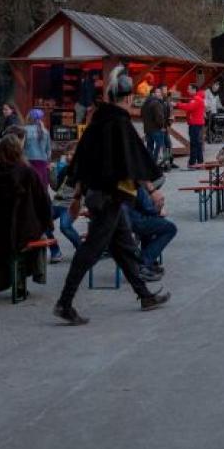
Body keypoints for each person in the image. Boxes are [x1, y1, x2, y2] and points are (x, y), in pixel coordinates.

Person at [53, 65, 169, 325]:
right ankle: (64, 302)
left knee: (124, 247)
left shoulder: (98, 121)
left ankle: (145, 296)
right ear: (128, 98)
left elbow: (81, 159)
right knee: (90, 251)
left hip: (101, 196)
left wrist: (76, 191)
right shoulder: (119, 123)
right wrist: (152, 190)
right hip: (109, 197)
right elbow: (134, 161)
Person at [0, 135, 53, 300]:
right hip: (26, 229)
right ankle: (36, 274)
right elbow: (43, 201)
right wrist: (47, 224)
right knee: (39, 239)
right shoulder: (29, 173)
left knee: (2, 242)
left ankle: (7, 280)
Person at [128, 183, 177, 280]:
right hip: (132, 221)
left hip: (118, 219)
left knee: (151, 223)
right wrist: (159, 210)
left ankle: (147, 261)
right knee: (170, 228)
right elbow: (148, 207)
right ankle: (144, 262)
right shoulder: (134, 182)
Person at [49, 144, 83, 261]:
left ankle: (81, 249)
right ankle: (55, 251)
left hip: (70, 203)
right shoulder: (64, 169)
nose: (68, 157)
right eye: (67, 154)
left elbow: (84, 191)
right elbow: (56, 187)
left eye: (72, 154)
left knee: (65, 226)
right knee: (42, 222)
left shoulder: (83, 171)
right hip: (58, 201)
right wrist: (51, 173)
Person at [176, 83, 206, 167]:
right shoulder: (199, 98)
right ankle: (200, 161)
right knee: (198, 143)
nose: (187, 90)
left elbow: (189, 107)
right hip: (198, 123)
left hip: (195, 124)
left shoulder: (196, 99)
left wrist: (177, 104)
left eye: (189, 89)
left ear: (194, 90)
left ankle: (192, 162)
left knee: (194, 143)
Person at [23, 108, 52, 188]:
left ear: (29, 118)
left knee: (29, 187)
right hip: (42, 163)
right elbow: (48, 151)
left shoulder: (24, 130)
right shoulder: (45, 131)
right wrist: (48, 163)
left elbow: (21, 148)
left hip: (27, 162)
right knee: (41, 188)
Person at [141, 87, 167, 165]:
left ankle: (149, 164)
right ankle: (155, 164)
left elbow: (141, 115)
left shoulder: (145, 103)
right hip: (156, 129)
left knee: (149, 147)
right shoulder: (156, 103)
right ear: (153, 94)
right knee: (160, 147)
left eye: (160, 92)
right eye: (158, 92)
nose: (160, 94)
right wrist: (162, 126)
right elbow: (159, 117)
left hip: (148, 129)